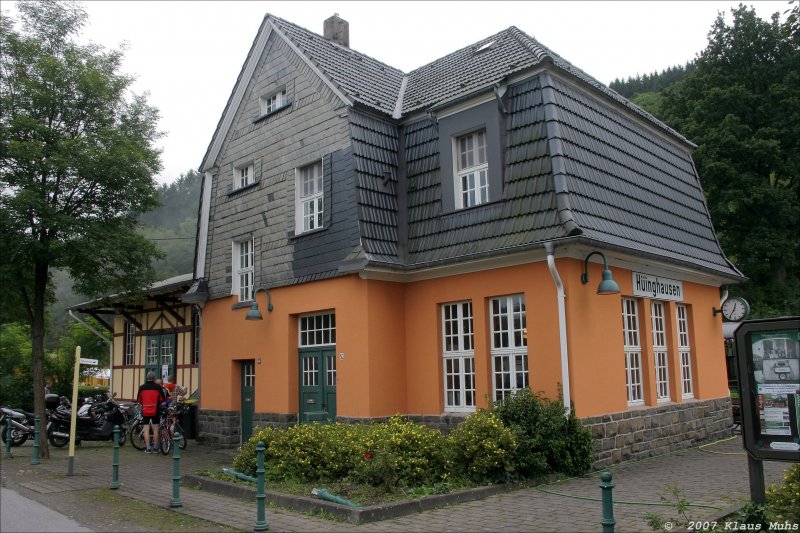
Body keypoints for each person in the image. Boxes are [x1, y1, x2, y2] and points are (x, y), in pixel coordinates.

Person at [137, 371, 166, 453]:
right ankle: (156, 448)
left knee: (146, 429)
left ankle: (148, 448)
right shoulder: (158, 387)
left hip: (145, 410)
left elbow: (139, 400)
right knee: (155, 429)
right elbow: (162, 399)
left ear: (147, 377)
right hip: (155, 410)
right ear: (154, 378)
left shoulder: (142, 387)